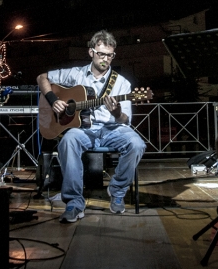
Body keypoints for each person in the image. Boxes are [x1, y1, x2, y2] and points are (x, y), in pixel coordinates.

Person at [37, 30, 146, 223]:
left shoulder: (122, 83)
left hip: (112, 129)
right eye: (101, 54)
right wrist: (53, 100)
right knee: (69, 141)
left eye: (109, 55)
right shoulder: (75, 74)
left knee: (136, 144)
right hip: (84, 130)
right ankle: (74, 203)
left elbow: (125, 120)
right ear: (91, 52)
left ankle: (117, 190)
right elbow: (41, 78)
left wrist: (117, 112)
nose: (105, 59)